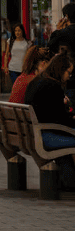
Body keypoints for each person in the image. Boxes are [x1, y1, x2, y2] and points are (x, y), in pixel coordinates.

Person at [23, 52, 75, 190]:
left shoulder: (36, 82)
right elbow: (59, 121)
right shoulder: (52, 86)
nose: (69, 77)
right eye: (68, 73)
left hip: (33, 133)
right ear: (60, 69)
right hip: (46, 136)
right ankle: (69, 181)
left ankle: (69, 181)